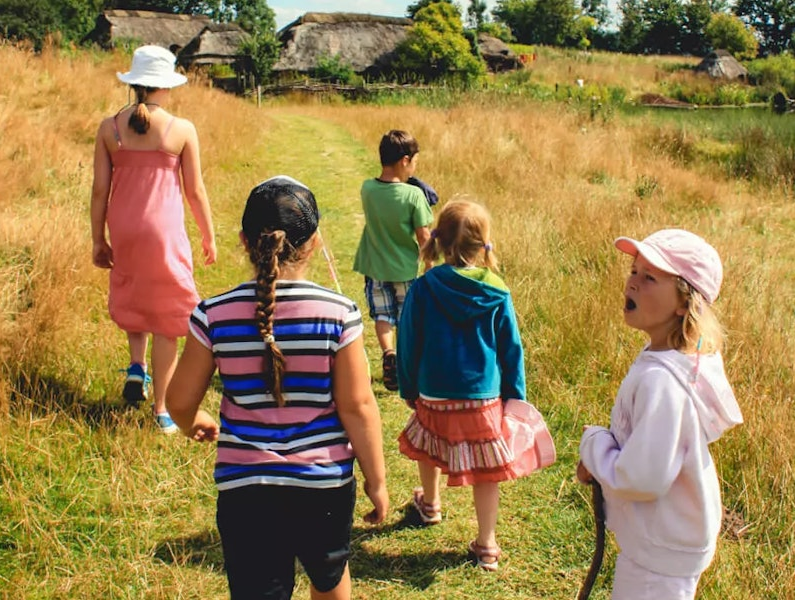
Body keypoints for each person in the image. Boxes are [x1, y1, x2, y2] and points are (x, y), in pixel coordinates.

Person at [166, 176, 389, 600]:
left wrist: (193, 419)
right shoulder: (339, 314)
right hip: (323, 485)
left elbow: (178, 400)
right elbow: (358, 407)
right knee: (329, 576)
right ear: (315, 242)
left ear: (244, 242)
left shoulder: (212, 314)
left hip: (245, 491)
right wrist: (376, 481)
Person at [577, 229, 743, 600]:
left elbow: (642, 477)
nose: (632, 282)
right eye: (634, 270)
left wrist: (594, 444)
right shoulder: (675, 363)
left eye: (650, 277)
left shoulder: (662, 382)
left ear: (684, 303)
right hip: (666, 541)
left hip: (661, 552)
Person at [396, 200, 537, 572]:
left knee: (429, 445)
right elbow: (512, 349)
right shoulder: (497, 291)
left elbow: (408, 341)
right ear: (484, 245)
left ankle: (430, 504)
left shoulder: (424, 287)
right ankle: (487, 544)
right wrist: (514, 397)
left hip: (434, 390)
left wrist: (408, 386)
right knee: (487, 470)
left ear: (438, 241)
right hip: (484, 397)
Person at [90, 44, 216, 433]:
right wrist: (209, 236)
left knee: (135, 292)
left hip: (124, 227)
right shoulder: (181, 129)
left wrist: (98, 239)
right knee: (168, 318)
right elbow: (194, 190)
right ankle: (162, 409)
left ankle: (136, 366)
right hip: (162, 230)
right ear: (166, 85)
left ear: (135, 83)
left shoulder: (110, 128)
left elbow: (99, 190)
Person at [352, 130, 434, 392]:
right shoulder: (414, 196)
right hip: (404, 268)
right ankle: (405, 365)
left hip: (374, 266)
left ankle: (388, 353)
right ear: (405, 160)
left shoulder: (368, 189)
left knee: (383, 314)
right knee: (406, 317)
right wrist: (430, 265)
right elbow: (424, 236)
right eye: (415, 162)